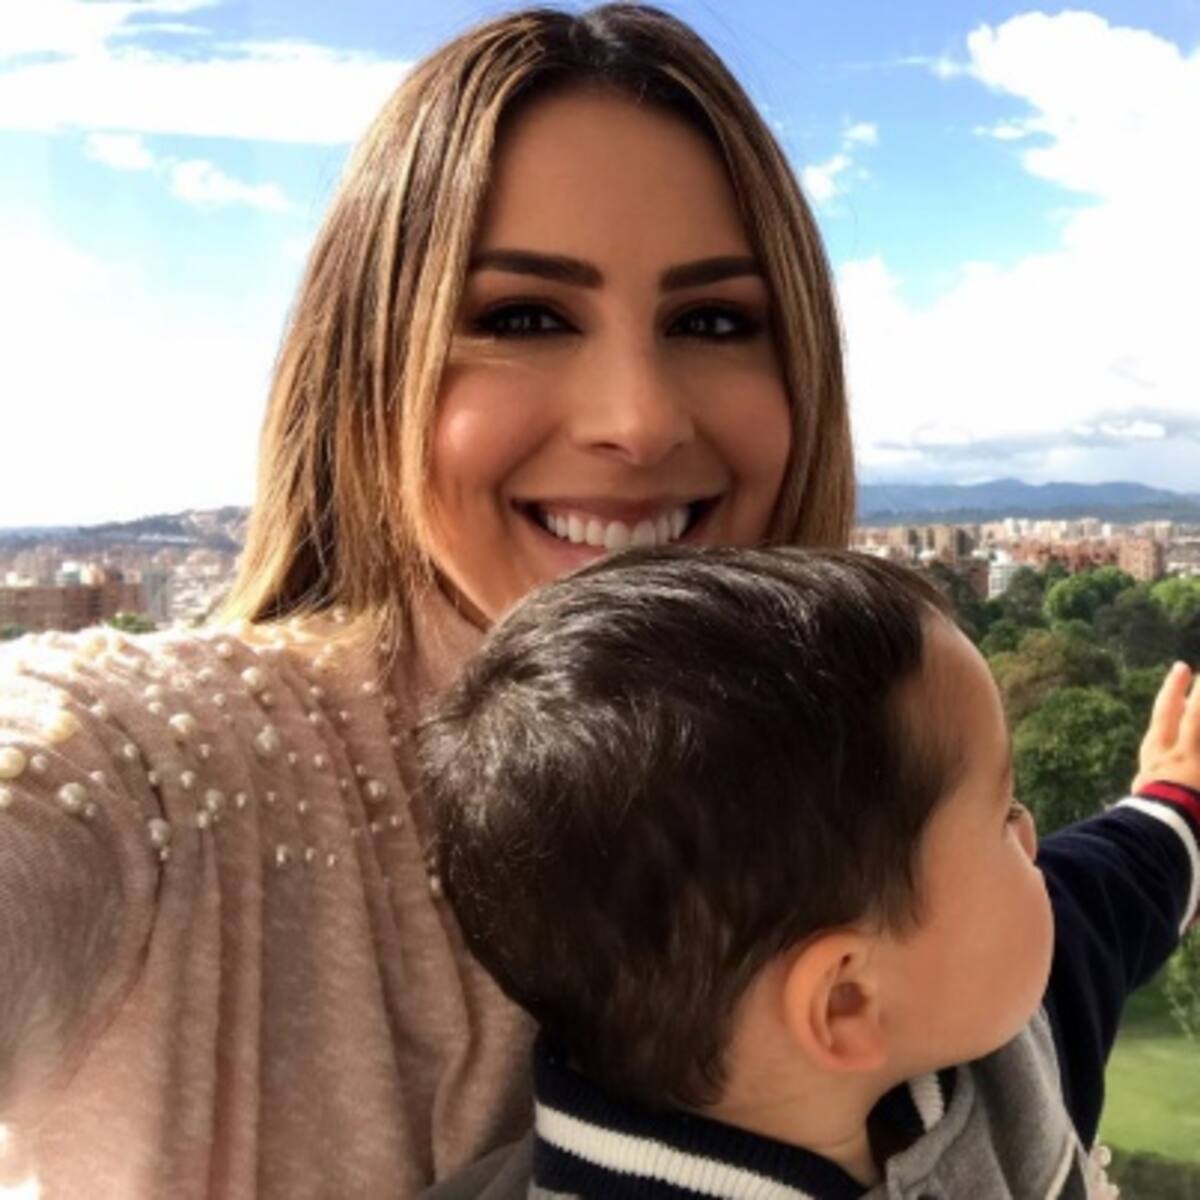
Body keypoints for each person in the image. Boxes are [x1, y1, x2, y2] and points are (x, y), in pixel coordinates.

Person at [0, 5, 854, 1197]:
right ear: (367, 371)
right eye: (523, 318)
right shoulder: (158, 778)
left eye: (713, 321)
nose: (641, 419)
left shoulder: (867, 782)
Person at [418, 546, 1200, 1199]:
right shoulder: (964, 1006)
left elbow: (1108, 891)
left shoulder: (969, 1028)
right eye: (1002, 816)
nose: (1032, 837)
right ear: (845, 1000)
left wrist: (1176, 795)